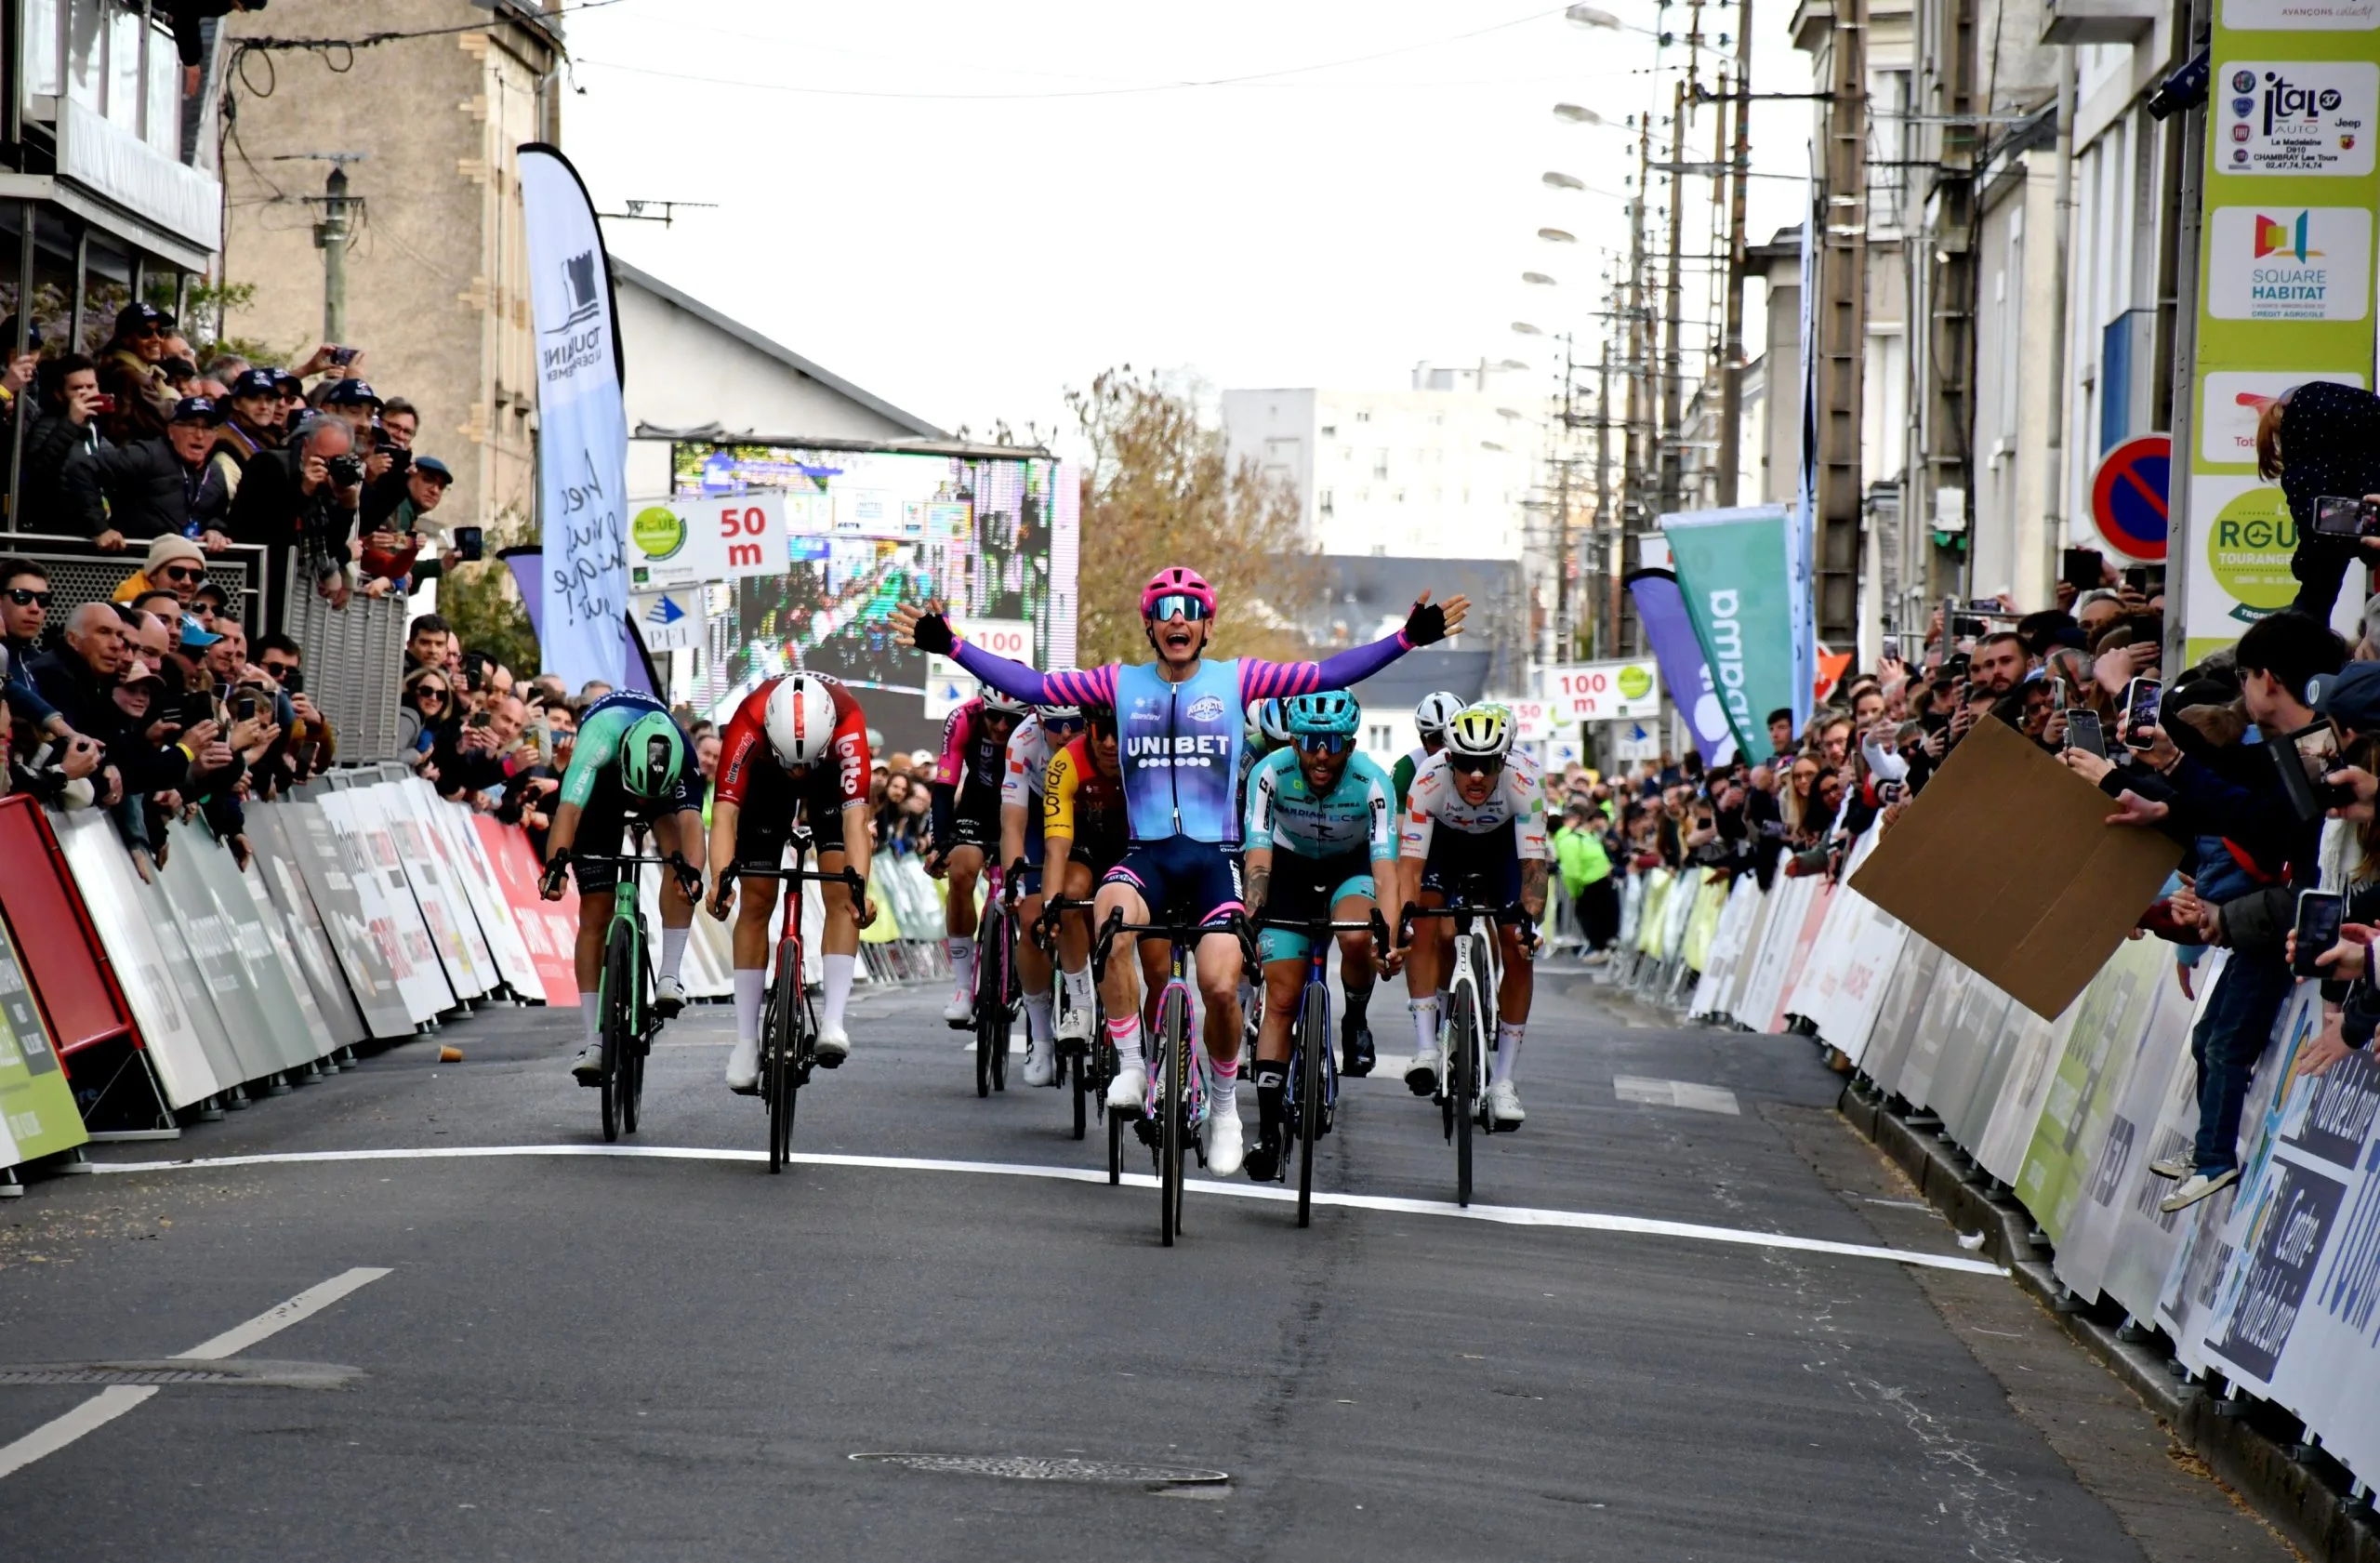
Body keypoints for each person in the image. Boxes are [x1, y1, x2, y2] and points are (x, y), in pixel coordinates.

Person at [894, 566, 1467, 1179]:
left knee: (1221, 987)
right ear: (1149, 624)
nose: (1177, 619)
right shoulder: (1118, 683)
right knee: (1109, 920)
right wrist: (951, 645)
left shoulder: (1239, 678)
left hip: (1214, 860)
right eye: (1165, 609)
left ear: (1207, 626)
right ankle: (1133, 1065)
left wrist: (1405, 639)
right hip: (1148, 856)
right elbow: (1031, 683)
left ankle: (1225, 1108)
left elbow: (1328, 674)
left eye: (1189, 610)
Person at [1240, 691, 1396, 1182]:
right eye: (1309, 741)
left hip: (1351, 869)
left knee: (1356, 937)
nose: (1321, 755)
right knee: (1281, 999)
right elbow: (1259, 855)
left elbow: (1386, 870)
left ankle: (1354, 1018)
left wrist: (1387, 936)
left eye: (1333, 743)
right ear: (1293, 740)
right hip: (1287, 870)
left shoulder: (1374, 782)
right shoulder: (1270, 774)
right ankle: (1267, 1133)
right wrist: (1254, 910)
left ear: (1350, 743)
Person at [704, 671, 876, 1086]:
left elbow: (856, 821)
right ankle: (745, 1041)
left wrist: (861, 890)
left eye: (805, 763)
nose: (799, 772)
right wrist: (719, 881)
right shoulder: (748, 719)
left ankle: (833, 1020)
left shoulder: (848, 720)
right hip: (765, 774)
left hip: (830, 776)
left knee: (842, 894)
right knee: (756, 899)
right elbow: (725, 814)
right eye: (792, 762)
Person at [1392, 703, 1551, 1128]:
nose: (1476, 775)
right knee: (1421, 918)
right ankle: (1427, 1047)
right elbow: (1408, 867)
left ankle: (1503, 1082)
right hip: (1445, 842)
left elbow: (1534, 871)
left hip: (1502, 847)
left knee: (1518, 948)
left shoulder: (1524, 781)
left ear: (1504, 760)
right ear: (1449, 759)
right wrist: (1402, 920)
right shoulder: (1428, 778)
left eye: (1487, 764)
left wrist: (1529, 922)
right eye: (1466, 764)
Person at [539, 691, 707, 1083]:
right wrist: (555, 868)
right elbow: (569, 811)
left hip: (658, 783)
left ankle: (669, 976)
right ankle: (595, 1042)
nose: (639, 800)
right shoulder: (596, 741)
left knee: (680, 862)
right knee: (595, 910)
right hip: (604, 785)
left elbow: (692, 824)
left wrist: (692, 875)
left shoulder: (681, 753)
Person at [927, 686, 1031, 1025]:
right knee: (961, 871)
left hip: (1027, 810)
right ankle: (961, 985)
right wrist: (939, 844)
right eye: (994, 716)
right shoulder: (963, 718)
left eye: (1011, 719)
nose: (1001, 726)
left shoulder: (1038, 722)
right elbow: (944, 787)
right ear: (982, 707)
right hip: (979, 805)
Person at [998, 703, 1087, 1086]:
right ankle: (1041, 1038)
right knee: (1032, 917)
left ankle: (1090, 1001)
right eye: (1056, 726)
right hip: (1038, 814)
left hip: (1086, 813)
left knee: (1085, 908)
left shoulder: (1103, 741)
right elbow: (1013, 825)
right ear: (1039, 722)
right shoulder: (1022, 741)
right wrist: (1014, 882)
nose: (1066, 734)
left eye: (1074, 726)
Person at [1039, 704, 1130, 1051]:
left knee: (1156, 958)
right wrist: (1050, 906)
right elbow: (1057, 847)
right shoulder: (1066, 762)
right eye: (1099, 732)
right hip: (1088, 844)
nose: (1109, 743)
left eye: (1118, 733)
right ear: (1087, 730)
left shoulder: (1146, 758)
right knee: (1068, 896)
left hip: (1138, 846)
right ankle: (1079, 1004)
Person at [65, 396, 231, 551]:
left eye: (207, 428)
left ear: (215, 436)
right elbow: (83, 468)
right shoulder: (148, 455)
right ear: (171, 430)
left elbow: (216, 517)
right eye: (191, 425)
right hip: (135, 562)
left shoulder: (215, 472)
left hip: (185, 569)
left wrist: (214, 530)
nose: (199, 435)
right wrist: (100, 528)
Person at [1395, 690, 1465, 810]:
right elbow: (1398, 825)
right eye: (1438, 739)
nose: (1446, 748)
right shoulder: (1407, 768)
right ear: (1424, 742)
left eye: (1454, 737)